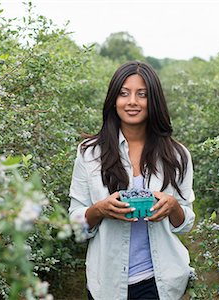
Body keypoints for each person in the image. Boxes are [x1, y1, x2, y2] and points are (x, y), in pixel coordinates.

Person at [69, 61, 195, 300]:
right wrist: (98, 210)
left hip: (158, 281)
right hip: (106, 281)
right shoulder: (89, 153)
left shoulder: (177, 156)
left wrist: (174, 207)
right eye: (124, 93)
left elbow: (185, 223)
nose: (132, 102)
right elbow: (75, 221)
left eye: (142, 94)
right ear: (113, 100)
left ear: (154, 101)